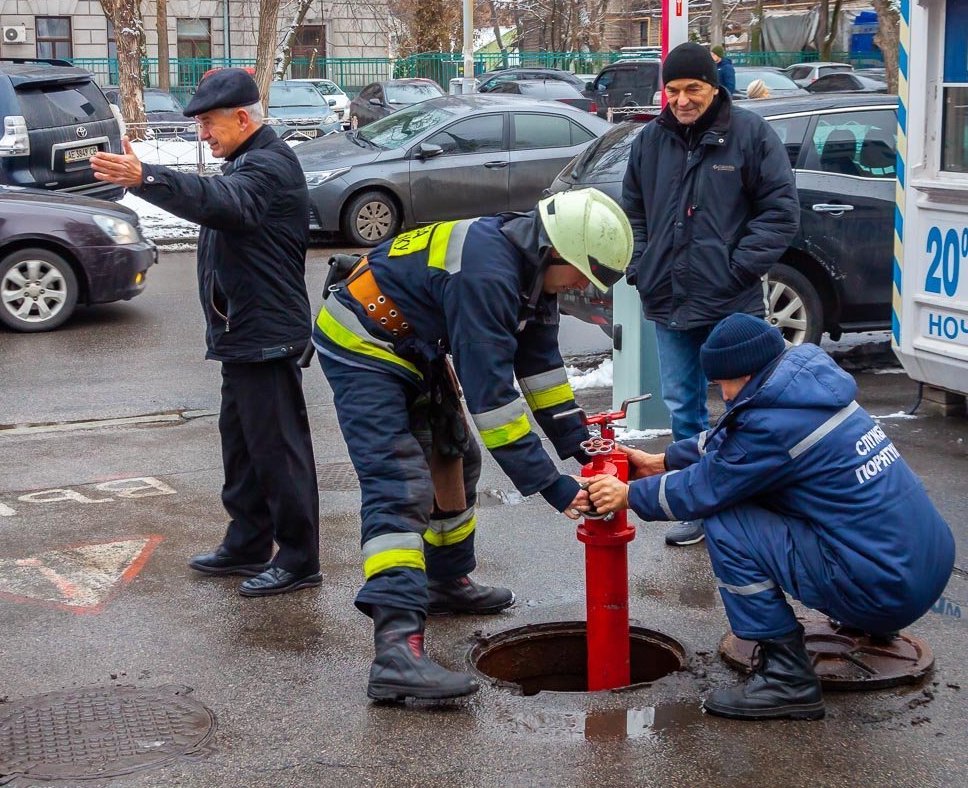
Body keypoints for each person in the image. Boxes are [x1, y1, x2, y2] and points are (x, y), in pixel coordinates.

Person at [312, 188, 633, 703]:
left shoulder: (530, 272)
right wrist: (552, 486)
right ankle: (396, 651)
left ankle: (445, 582)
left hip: (413, 343)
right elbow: (493, 401)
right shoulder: (487, 275)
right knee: (400, 484)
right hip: (363, 344)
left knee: (455, 461)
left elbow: (540, 369)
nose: (580, 288)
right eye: (580, 274)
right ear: (556, 250)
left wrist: (581, 445)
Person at [584, 314, 956, 721]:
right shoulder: (803, 389)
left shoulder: (769, 424)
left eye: (723, 383)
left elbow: (705, 489)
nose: (723, 395)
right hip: (925, 566)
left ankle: (787, 679)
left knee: (726, 517)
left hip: (885, 591)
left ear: (744, 374)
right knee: (786, 498)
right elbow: (734, 439)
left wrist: (628, 495)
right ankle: (871, 624)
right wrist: (662, 460)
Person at [90, 69, 321, 597]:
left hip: (265, 333)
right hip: (243, 332)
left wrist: (144, 176)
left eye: (209, 123)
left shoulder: (267, 164)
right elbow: (217, 197)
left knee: (277, 450)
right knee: (241, 448)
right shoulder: (247, 159)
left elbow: (224, 203)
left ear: (243, 118)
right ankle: (246, 542)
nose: (203, 134)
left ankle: (300, 558)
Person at [621, 40, 799, 547]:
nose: (681, 100)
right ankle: (694, 501)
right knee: (684, 407)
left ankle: (756, 494)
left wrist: (738, 269)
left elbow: (780, 212)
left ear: (714, 85)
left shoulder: (750, 135)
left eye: (692, 89)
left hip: (730, 303)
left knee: (749, 406)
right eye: (672, 90)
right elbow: (632, 211)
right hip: (669, 298)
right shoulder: (650, 142)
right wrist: (640, 265)